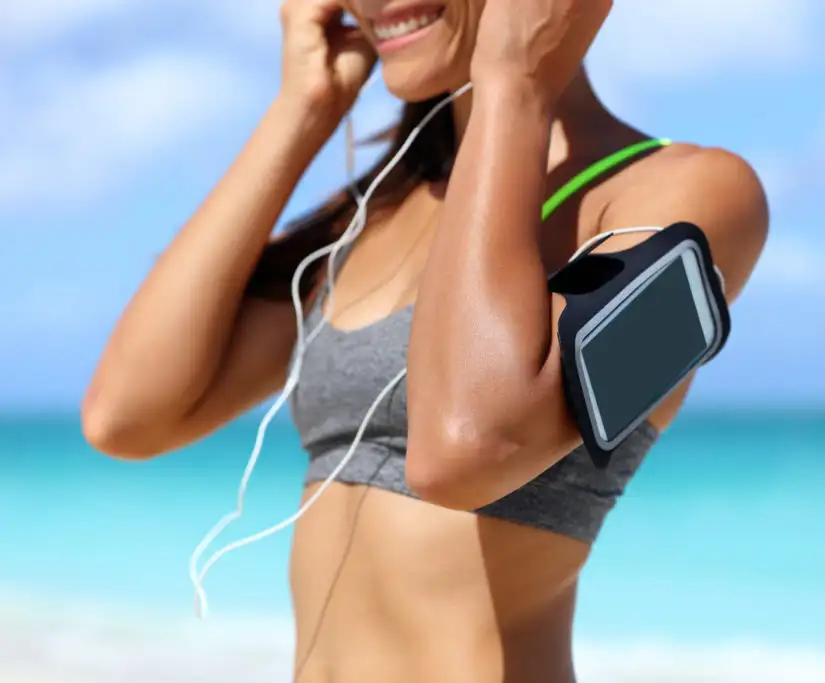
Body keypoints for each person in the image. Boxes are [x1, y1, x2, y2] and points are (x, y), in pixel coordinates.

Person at [82, 0, 769, 681]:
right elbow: (128, 415)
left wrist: (516, 83)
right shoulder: (377, 214)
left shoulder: (694, 198)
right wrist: (302, 110)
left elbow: (466, 448)